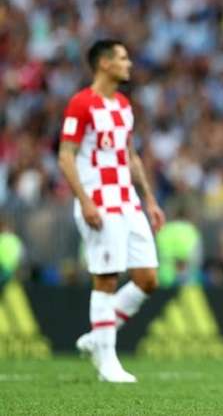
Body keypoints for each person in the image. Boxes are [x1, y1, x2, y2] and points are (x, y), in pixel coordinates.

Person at [58, 39, 165, 383]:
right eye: (122, 58)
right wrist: (85, 200)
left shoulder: (123, 105)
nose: (128, 63)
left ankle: (97, 337)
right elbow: (65, 156)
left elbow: (130, 156)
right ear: (104, 64)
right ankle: (107, 362)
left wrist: (149, 200)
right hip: (99, 201)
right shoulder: (81, 103)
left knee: (148, 279)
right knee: (106, 278)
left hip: (128, 201)